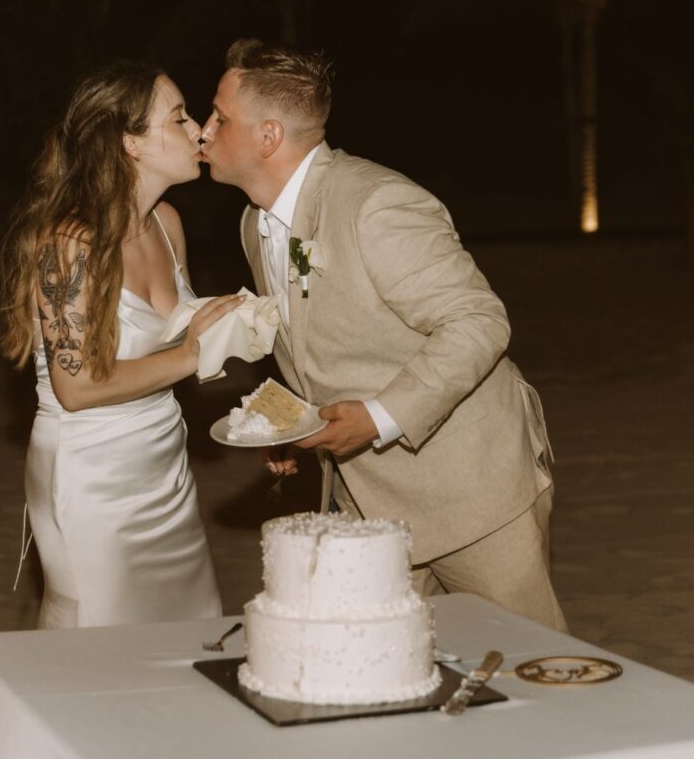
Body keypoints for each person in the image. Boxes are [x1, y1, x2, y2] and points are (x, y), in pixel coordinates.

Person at [200, 39, 567, 630]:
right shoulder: (253, 222)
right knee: (383, 673)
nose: (203, 130)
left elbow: (477, 319)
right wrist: (297, 425)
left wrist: (379, 415)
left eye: (220, 118)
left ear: (268, 137)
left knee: (527, 667)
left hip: (470, 488)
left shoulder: (376, 203)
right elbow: (320, 337)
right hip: (365, 501)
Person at [0, 61, 243, 628]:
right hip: (91, 469)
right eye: (178, 118)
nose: (199, 129)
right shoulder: (71, 243)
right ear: (130, 142)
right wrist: (190, 354)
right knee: (98, 629)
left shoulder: (167, 224)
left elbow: (171, 342)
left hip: (163, 461)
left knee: (183, 625)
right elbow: (76, 387)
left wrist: (234, 322)